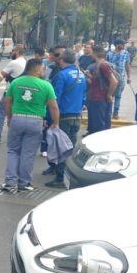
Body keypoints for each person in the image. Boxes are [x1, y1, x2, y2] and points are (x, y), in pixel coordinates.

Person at [0, 58, 60, 193]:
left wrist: (9, 117)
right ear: (38, 70)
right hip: (36, 121)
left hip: (17, 119)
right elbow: (54, 107)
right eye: (43, 68)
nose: (44, 70)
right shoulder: (46, 85)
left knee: (13, 151)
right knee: (28, 153)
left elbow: (7, 102)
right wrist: (55, 123)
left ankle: (10, 182)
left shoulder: (16, 82)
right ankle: (24, 183)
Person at [45, 50, 87, 188]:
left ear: (62, 60)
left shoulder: (62, 75)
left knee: (61, 148)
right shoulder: (81, 74)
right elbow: (84, 96)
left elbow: (55, 98)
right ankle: (66, 174)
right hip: (76, 115)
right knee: (70, 147)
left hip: (63, 116)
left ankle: (60, 177)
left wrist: (50, 117)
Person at [0, 46, 27, 144]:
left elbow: (0, 76)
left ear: (17, 51)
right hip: (22, 93)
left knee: (1, 113)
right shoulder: (26, 62)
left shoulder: (14, 63)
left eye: (12, 51)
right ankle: (17, 138)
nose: (11, 53)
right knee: (18, 114)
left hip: (10, 92)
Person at [85, 45, 118, 134]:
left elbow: (114, 81)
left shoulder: (103, 65)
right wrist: (89, 76)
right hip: (97, 99)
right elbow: (100, 81)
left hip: (99, 99)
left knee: (99, 126)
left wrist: (109, 95)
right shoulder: (99, 65)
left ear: (95, 53)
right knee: (98, 124)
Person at [106, 38, 132, 120]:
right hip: (110, 78)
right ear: (117, 45)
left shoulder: (126, 53)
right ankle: (108, 111)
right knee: (109, 95)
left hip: (121, 78)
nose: (124, 46)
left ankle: (116, 112)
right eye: (122, 44)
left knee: (118, 96)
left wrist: (129, 77)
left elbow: (127, 65)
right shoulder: (109, 54)